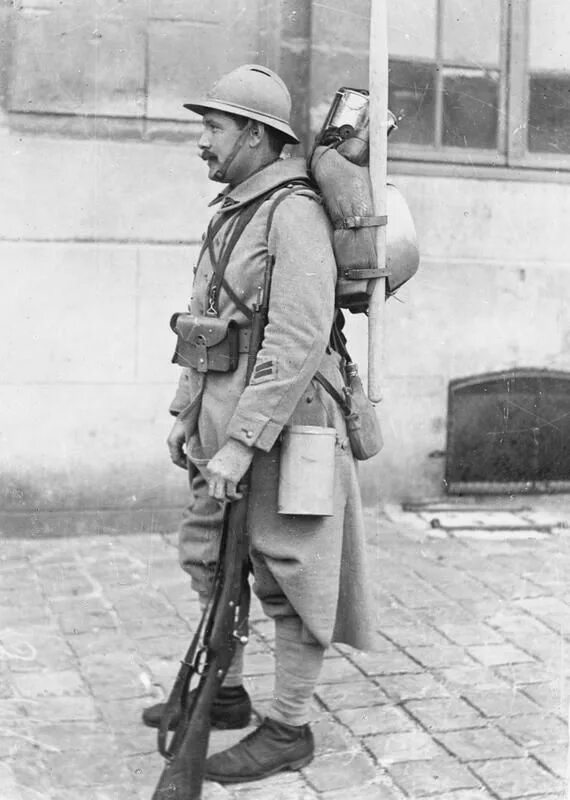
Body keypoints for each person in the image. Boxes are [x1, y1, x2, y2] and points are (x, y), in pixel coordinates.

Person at [142, 63, 376, 785]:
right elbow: (207, 322)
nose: (202, 143)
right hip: (224, 421)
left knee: (293, 575)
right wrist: (188, 413)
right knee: (213, 560)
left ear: (254, 134)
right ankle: (231, 692)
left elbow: (298, 338)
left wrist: (243, 444)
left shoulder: (293, 212)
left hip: (290, 425)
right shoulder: (234, 210)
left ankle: (290, 728)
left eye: (213, 128)